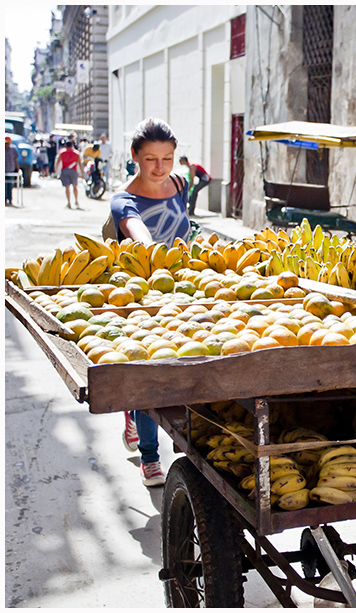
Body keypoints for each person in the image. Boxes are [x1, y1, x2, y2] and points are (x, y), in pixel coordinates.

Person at [111, 117, 192, 487]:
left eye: (168, 158)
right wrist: (160, 256)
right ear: (135, 157)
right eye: (150, 160)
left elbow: (185, 228)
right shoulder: (123, 200)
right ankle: (149, 455)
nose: (160, 168)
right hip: (138, 293)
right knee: (149, 371)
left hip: (184, 290)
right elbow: (139, 235)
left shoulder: (180, 184)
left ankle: (132, 412)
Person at [54, 140, 84, 209]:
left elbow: (58, 162)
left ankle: (69, 202)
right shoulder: (76, 153)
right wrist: (82, 173)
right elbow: (79, 163)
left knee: (67, 187)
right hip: (73, 171)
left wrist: (56, 170)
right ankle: (76, 201)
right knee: (75, 186)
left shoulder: (62, 152)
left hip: (65, 170)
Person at [5, 136, 20, 206]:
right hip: (4, 171)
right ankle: (4, 199)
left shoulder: (13, 149)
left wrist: (17, 169)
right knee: (4, 186)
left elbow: (15, 159)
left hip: (11, 170)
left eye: (7, 143)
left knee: (10, 186)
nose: (6, 145)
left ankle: (10, 199)